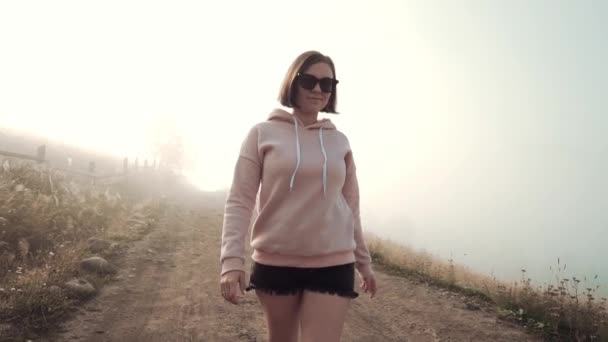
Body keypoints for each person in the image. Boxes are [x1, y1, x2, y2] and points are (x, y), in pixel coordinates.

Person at [219, 50, 378, 342]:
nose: (318, 89)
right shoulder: (261, 134)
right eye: (309, 81)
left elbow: (350, 208)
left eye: (327, 84)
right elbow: (240, 200)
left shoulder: (339, 142)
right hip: (275, 263)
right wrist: (231, 261)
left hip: (333, 263)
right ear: (292, 83)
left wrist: (363, 263)